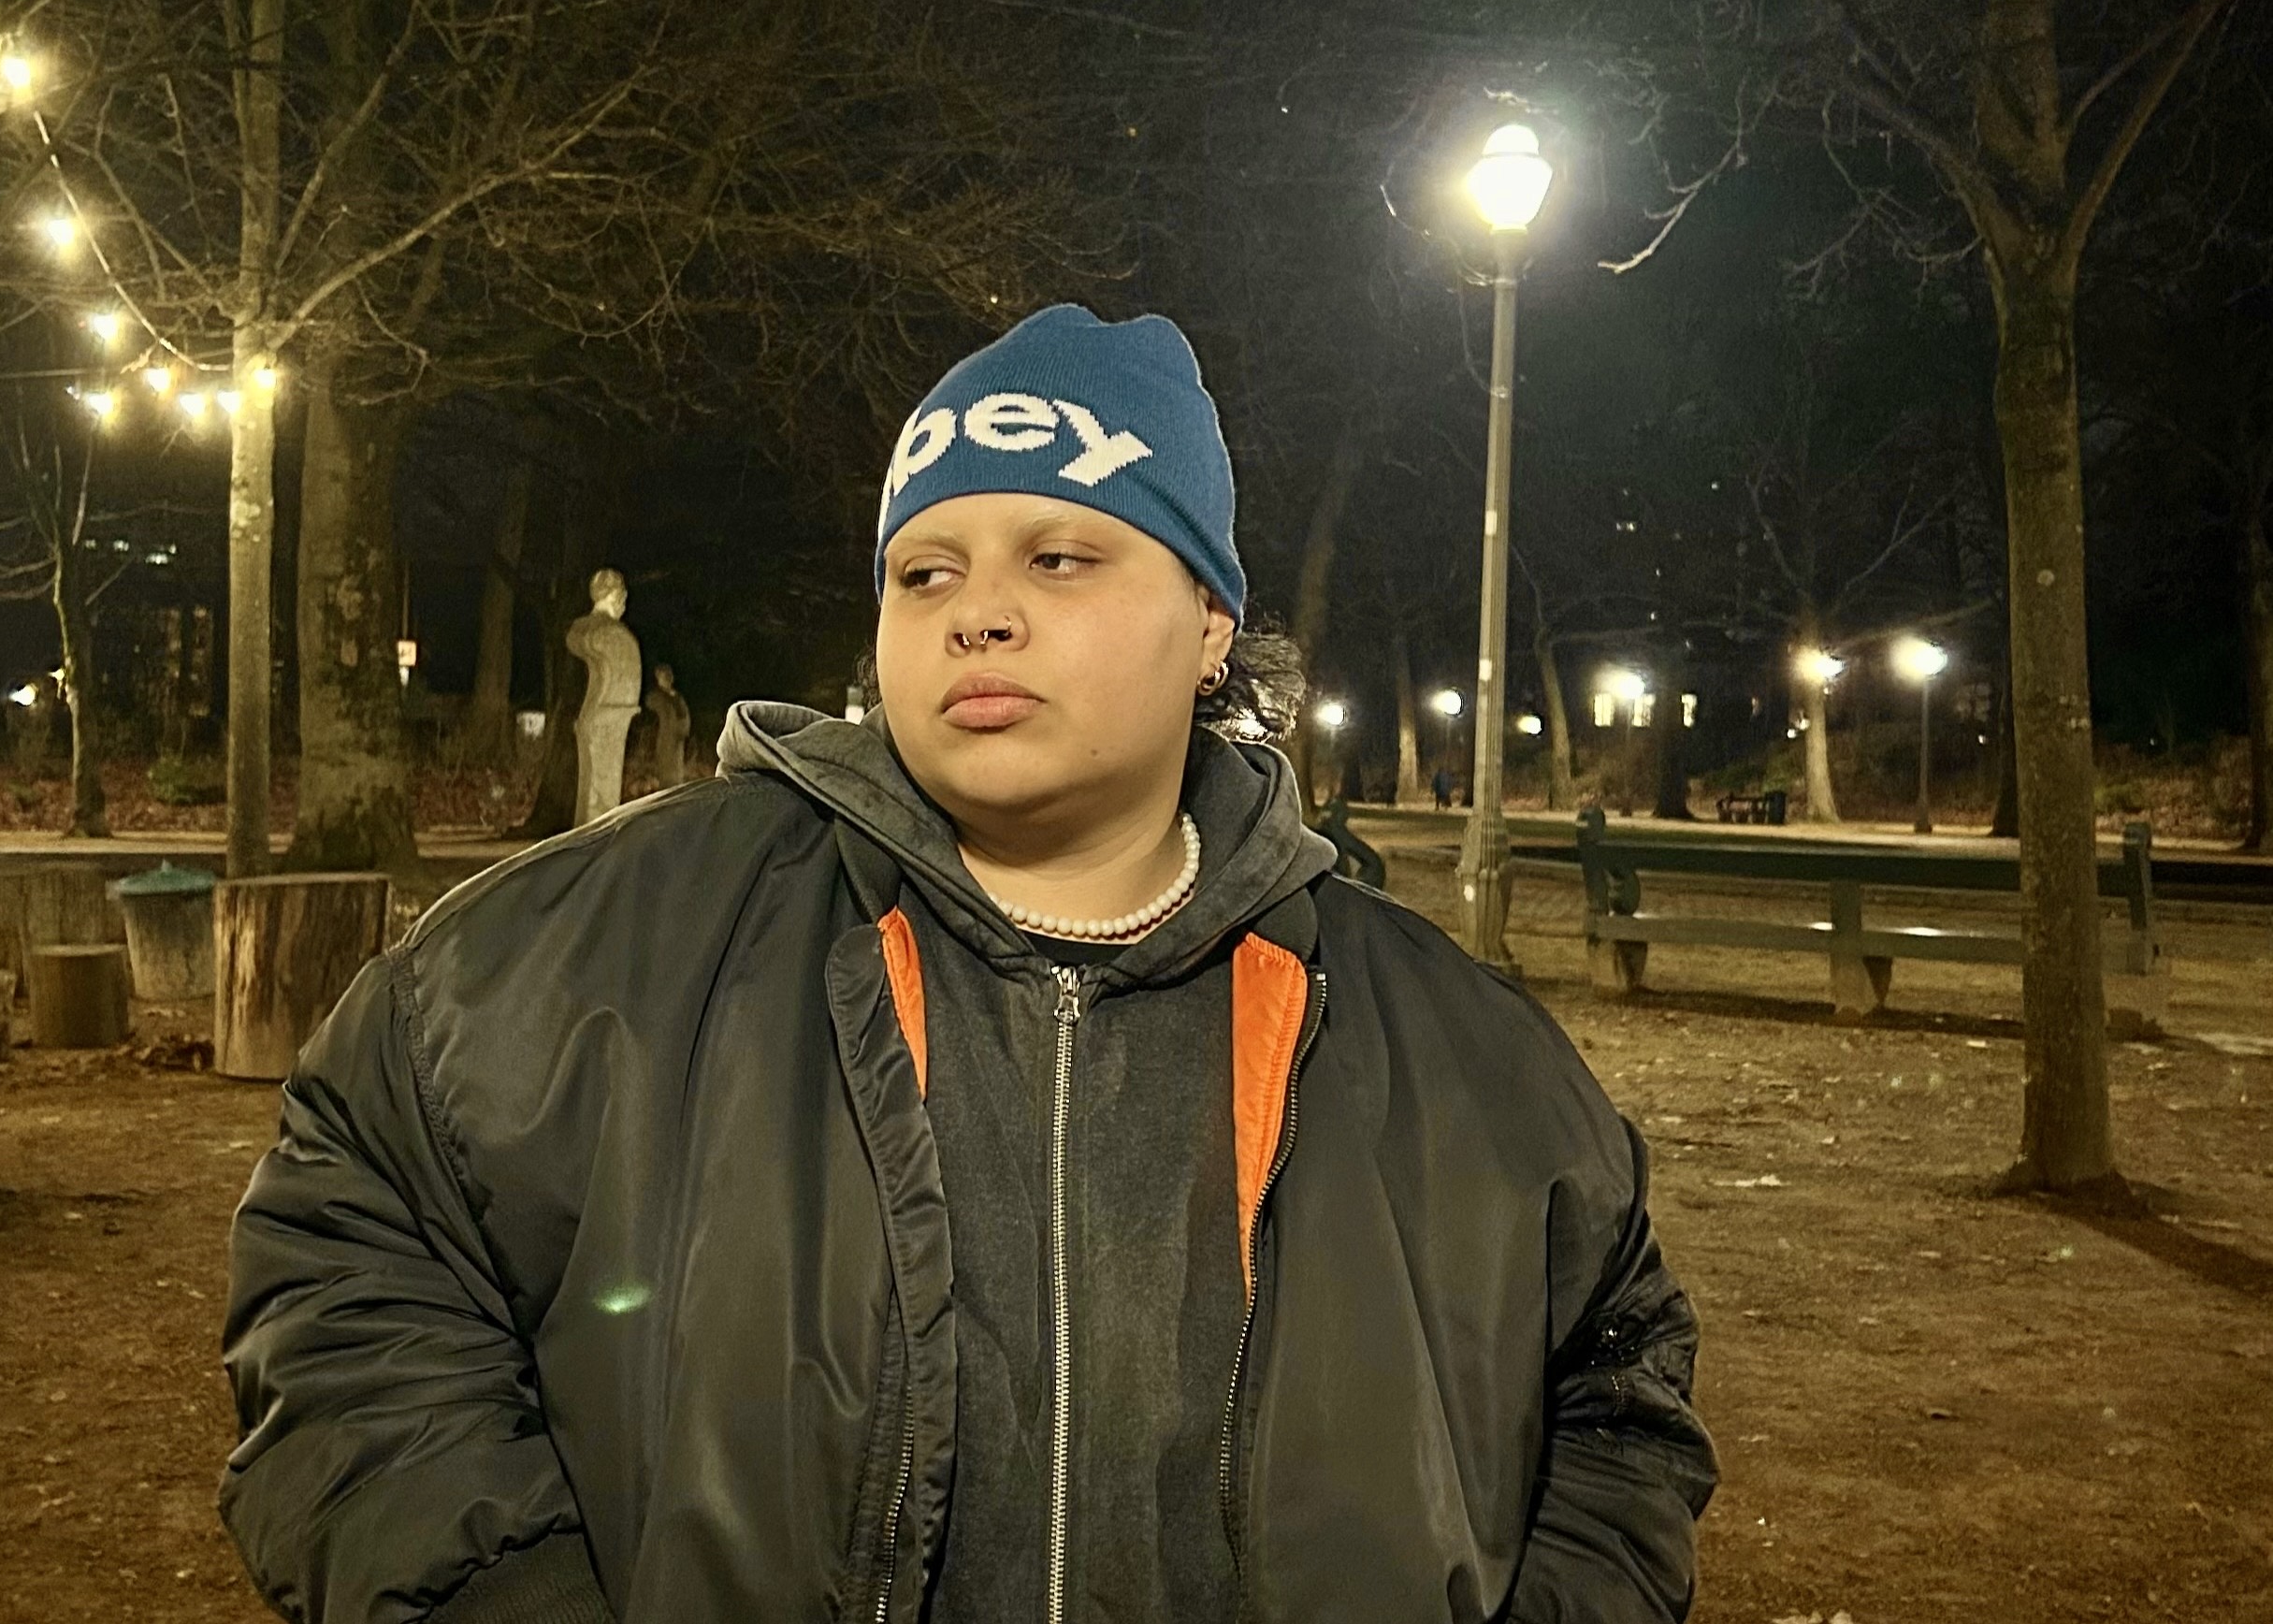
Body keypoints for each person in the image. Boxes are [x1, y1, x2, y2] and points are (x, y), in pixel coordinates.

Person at [220, 305, 1715, 1623]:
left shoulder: (1447, 1042)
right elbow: (356, 1259)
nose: (977, 611)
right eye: (923, 572)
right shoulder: (592, 951)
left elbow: (1616, 1388)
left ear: (1210, 621)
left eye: (1060, 556)